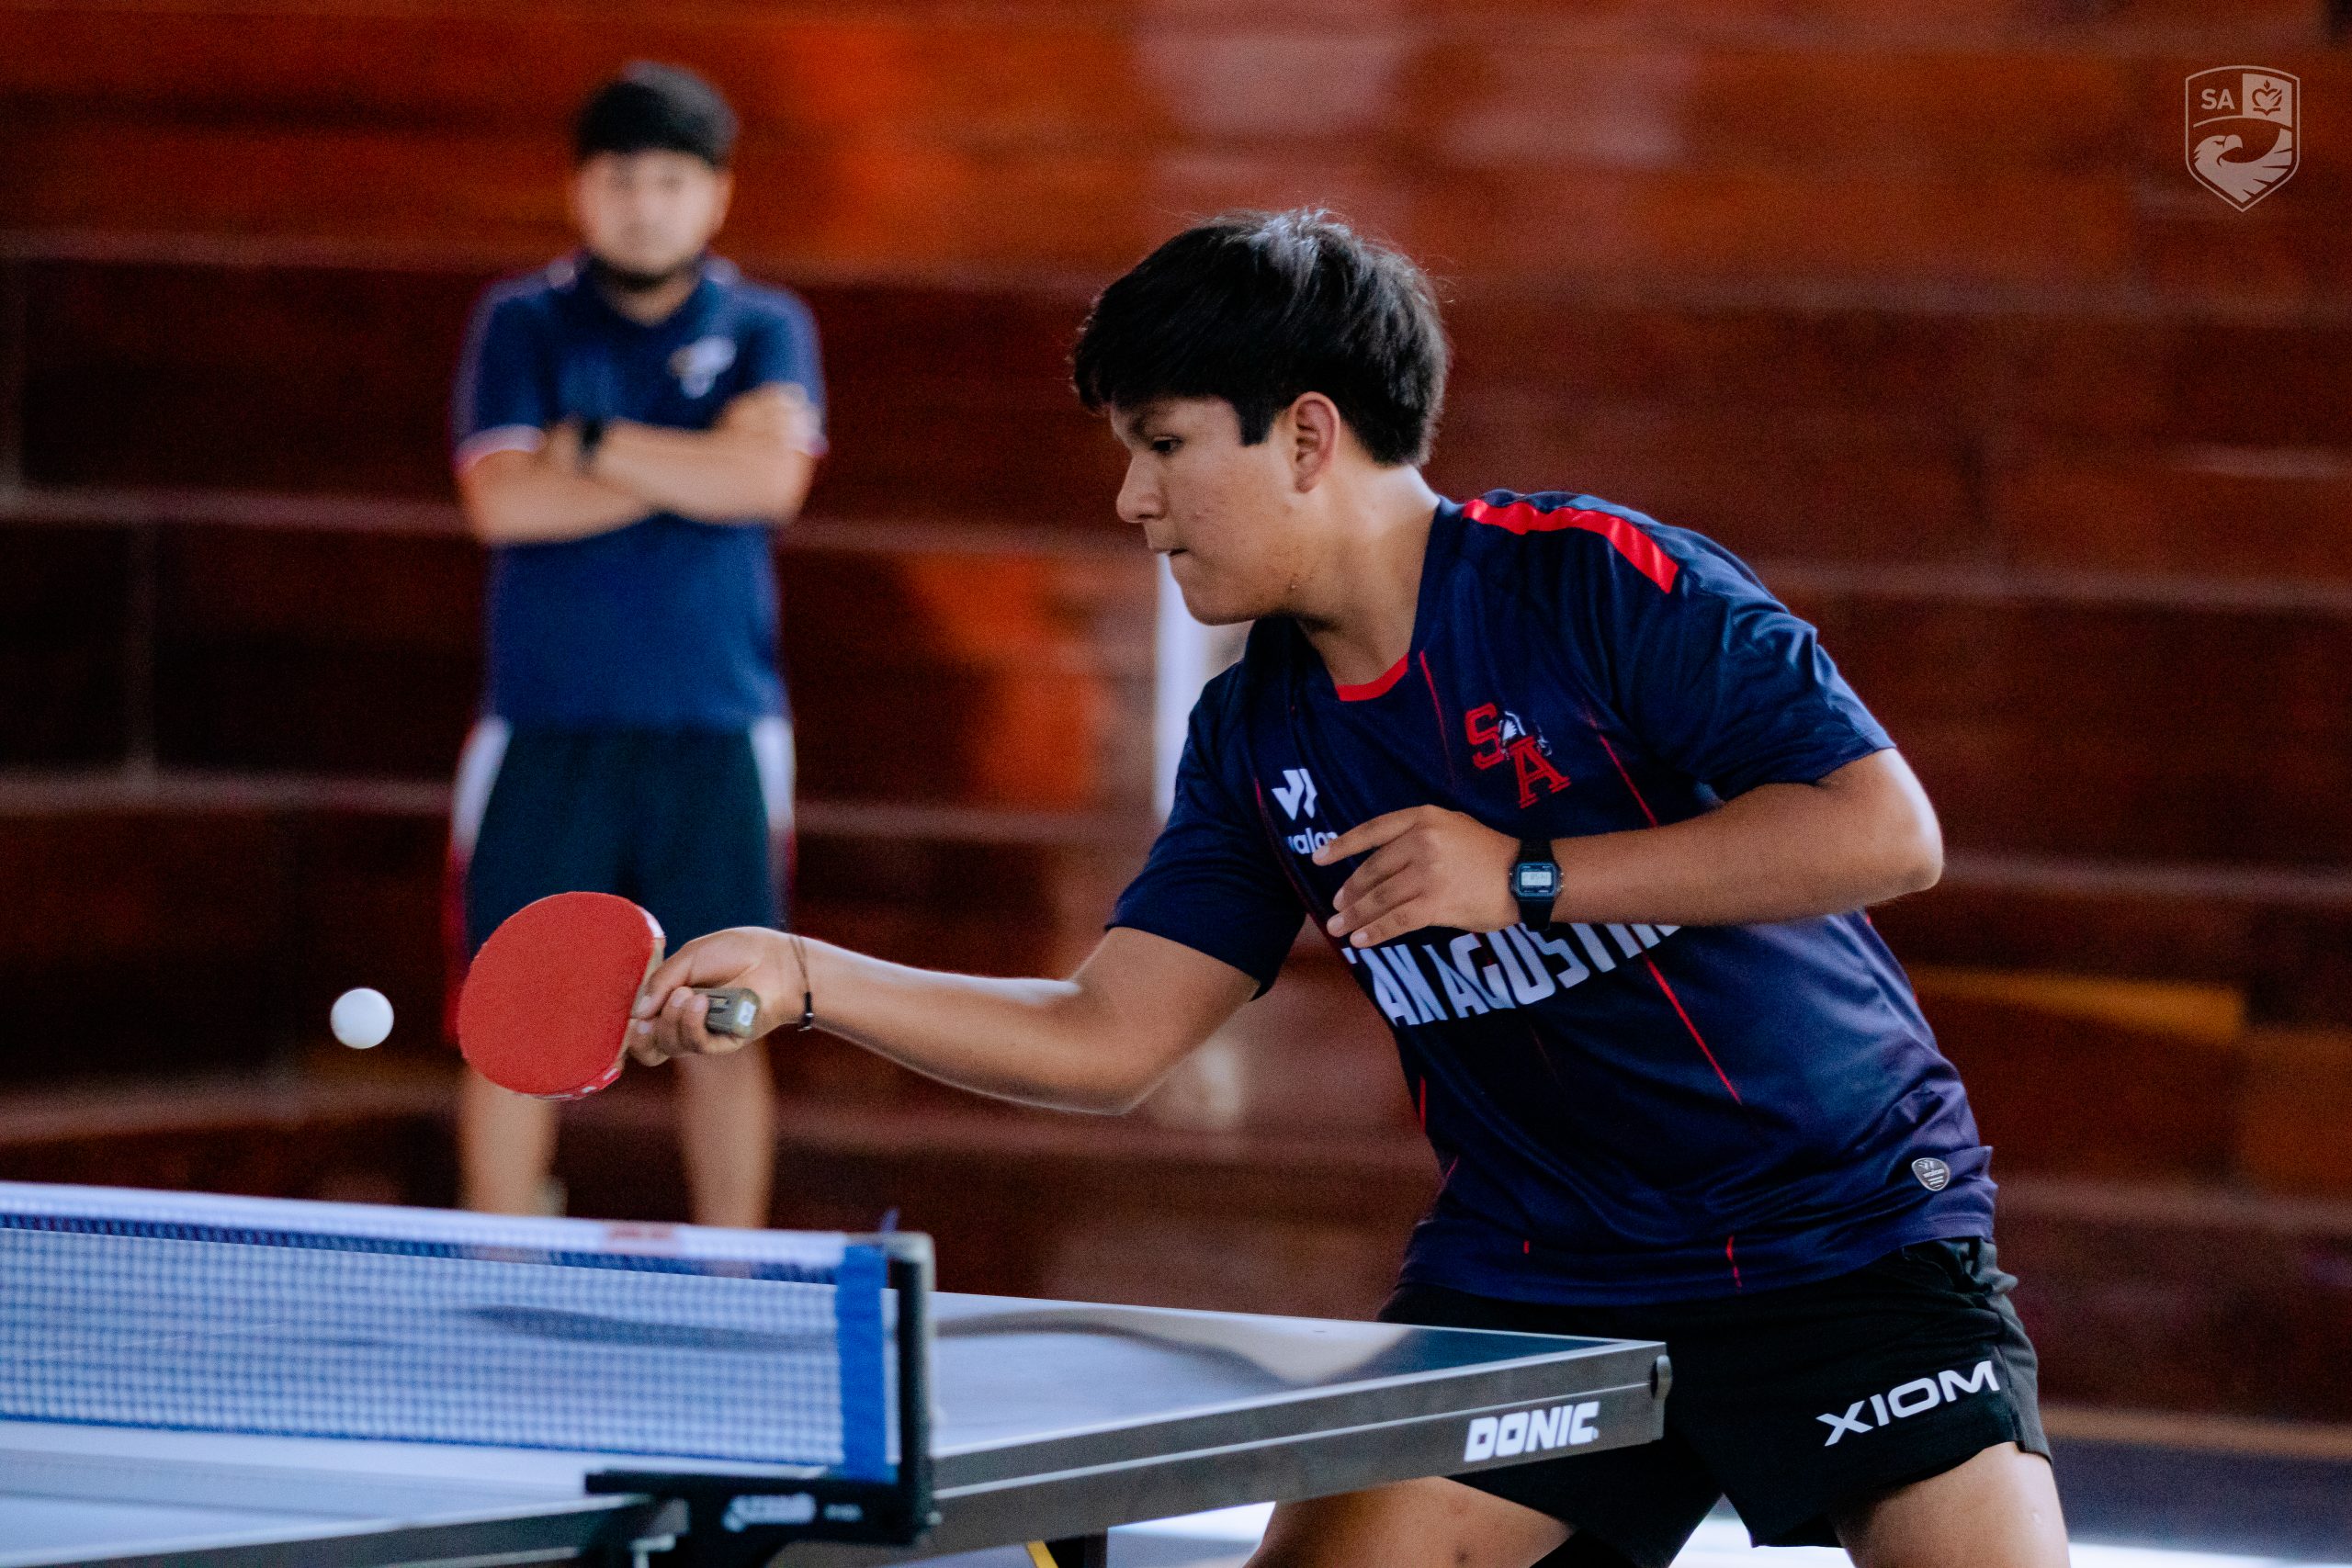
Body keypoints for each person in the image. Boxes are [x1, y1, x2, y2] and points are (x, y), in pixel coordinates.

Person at [629, 211, 2068, 1568]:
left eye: (1164, 444)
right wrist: (811, 975)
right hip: (1542, 1265)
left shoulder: (1592, 584)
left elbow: (1884, 828)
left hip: (1841, 1228)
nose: (1133, 499)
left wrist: (1528, 874)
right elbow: (1107, 1035)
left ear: (1308, 434)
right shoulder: (1253, 733)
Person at [446, 62, 824, 1228]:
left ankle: (733, 1276)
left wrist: (595, 442)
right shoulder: (521, 321)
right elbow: (504, 502)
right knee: (512, 1017)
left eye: (671, 181)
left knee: (727, 1017)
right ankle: (495, 1272)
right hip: (547, 724)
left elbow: (769, 485)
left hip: (715, 727)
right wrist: (698, 462)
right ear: (580, 190)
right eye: (619, 180)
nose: (644, 206)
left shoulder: (765, 326)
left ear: (716, 194)